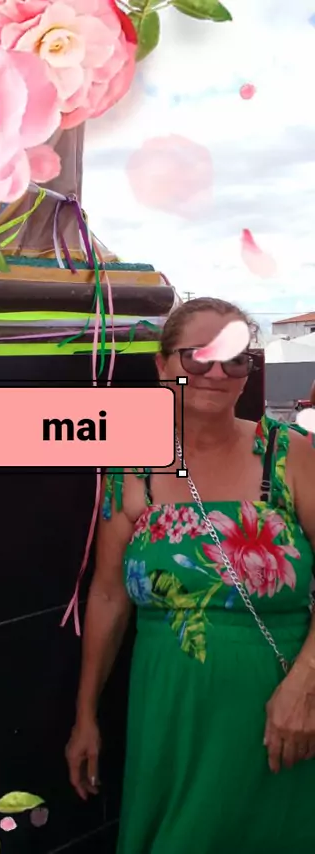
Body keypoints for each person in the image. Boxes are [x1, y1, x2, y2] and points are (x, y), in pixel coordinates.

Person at [65, 297, 315, 854]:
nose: (217, 373)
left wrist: (306, 687)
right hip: (169, 713)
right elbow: (107, 596)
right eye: (197, 356)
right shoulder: (131, 469)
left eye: (235, 358)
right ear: (162, 365)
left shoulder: (289, 455)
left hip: (284, 717)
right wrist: (86, 715)